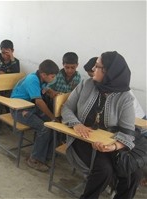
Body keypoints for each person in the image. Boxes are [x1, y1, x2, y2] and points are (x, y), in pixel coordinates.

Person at [61, 51, 142, 199]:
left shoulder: (125, 97)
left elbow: (128, 133)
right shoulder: (86, 84)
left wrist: (113, 146)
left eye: (97, 66)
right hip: (82, 139)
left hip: (111, 143)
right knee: (104, 170)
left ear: (109, 72)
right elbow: (66, 108)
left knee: (133, 173)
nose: (93, 68)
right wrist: (76, 124)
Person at [10, 59, 59, 171]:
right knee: (44, 128)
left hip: (30, 107)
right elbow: (39, 102)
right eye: (52, 76)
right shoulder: (32, 79)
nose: (53, 79)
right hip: (18, 109)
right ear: (43, 74)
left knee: (52, 125)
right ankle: (34, 160)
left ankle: (46, 156)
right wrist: (52, 117)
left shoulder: (41, 78)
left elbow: (43, 88)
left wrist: (49, 90)